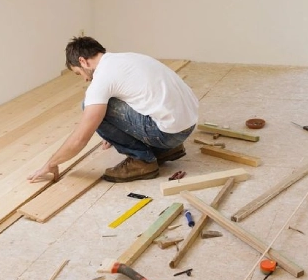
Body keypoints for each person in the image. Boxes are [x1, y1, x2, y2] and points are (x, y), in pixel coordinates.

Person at [27, 36, 199, 184]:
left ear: (82, 61)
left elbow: (80, 137)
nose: (85, 79)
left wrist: (51, 164)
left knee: (89, 105)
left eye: (79, 73)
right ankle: (167, 150)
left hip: (168, 134)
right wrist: (117, 131)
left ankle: (142, 161)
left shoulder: (102, 78)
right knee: (103, 104)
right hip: (187, 125)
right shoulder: (128, 58)